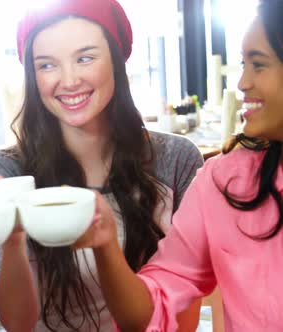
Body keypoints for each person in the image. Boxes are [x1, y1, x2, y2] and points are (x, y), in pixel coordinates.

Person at [0, 0, 204, 331]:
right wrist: (12, 242)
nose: (68, 81)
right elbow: (18, 323)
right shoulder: (9, 173)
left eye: (85, 58)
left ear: (115, 60)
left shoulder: (176, 160)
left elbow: (184, 318)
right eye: (46, 65)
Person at [74, 0, 283, 331]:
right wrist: (105, 246)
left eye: (258, 65)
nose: (242, 82)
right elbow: (150, 310)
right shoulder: (225, 181)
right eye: (243, 64)